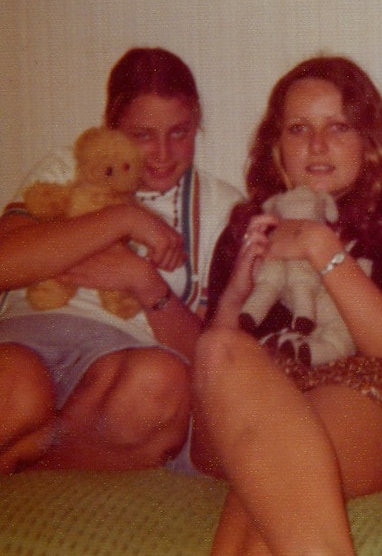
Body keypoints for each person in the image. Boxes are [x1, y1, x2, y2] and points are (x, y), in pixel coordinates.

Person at [191, 56, 382, 556]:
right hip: (255, 410)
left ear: (369, 140)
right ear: (276, 145)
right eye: (298, 129)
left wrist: (318, 246)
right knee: (222, 346)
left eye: (338, 127)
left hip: (369, 402)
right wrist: (235, 294)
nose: (316, 145)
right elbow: (213, 377)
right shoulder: (248, 227)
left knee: (267, 486)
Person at [0, 47, 241, 473]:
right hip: (27, 341)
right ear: (111, 126)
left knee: (163, 387)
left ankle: (31, 454)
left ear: (197, 121)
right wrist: (123, 219)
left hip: (122, 363)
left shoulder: (222, 208)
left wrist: (142, 280)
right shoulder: (66, 167)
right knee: (18, 391)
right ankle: (43, 445)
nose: (163, 154)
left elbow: (210, 356)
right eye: (143, 135)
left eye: (180, 132)